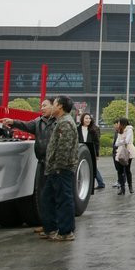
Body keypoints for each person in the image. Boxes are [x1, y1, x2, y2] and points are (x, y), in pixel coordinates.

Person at [0, 98, 55, 233]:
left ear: (54, 106)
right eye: (41, 106)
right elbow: (26, 125)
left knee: (54, 194)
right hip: (42, 163)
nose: (42, 108)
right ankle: (47, 224)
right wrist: (12, 122)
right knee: (43, 195)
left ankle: (55, 225)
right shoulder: (38, 122)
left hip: (55, 164)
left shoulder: (59, 122)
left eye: (45, 105)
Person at [40, 95, 80, 242]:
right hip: (54, 169)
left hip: (61, 169)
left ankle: (66, 232)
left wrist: (58, 167)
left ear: (60, 106)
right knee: (47, 199)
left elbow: (64, 148)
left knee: (64, 200)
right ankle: (51, 229)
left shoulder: (65, 123)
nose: (52, 106)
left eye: (55, 103)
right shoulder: (61, 121)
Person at [78, 113, 105, 189]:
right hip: (80, 151)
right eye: (86, 118)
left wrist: (97, 154)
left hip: (90, 151)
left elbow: (97, 143)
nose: (88, 120)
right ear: (82, 119)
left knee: (92, 167)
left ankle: (97, 184)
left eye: (89, 118)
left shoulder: (93, 130)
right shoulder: (77, 129)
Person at [113, 117, 135, 195]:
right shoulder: (120, 130)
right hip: (120, 151)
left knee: (127, 169)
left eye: (119, 122)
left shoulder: (129, 129)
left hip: (128, 150)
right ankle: (122, 188)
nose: (118, 124)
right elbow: (116, 143)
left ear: (122, 123)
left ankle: (130, 186)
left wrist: (121, 141)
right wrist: (122, 141)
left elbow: (127, 140)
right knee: (120, 170)